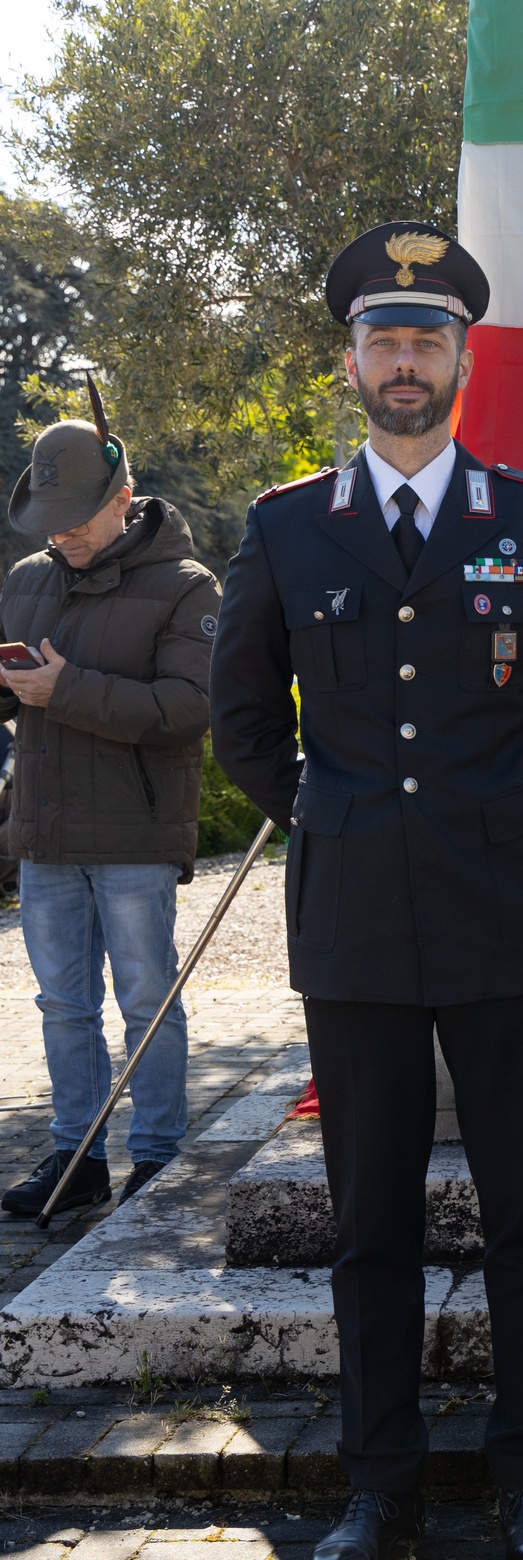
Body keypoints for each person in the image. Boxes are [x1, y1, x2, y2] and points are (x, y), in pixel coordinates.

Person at [209, 222, 523, 1560]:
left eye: (428, 339)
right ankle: (378, 1481)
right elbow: (239, 724)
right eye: (384, 340)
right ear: (351, 363)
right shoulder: (285, 530)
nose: (406, 361)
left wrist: (504, 823)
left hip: (501, 913)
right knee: (369, 1223)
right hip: (354, 926)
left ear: (463, 358)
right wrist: (332, 822)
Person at [0, 401, 219, 1216]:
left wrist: (65, 690)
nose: (60, 535)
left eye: (75, 519)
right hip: (45, 834)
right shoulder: (26, 581)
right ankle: (76, 1158)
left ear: (122, 495)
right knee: (61, 1007)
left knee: (144, 1002)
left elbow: (190, 708)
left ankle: (158, 1160)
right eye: (49, 521)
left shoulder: (188, 586)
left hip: (134, 835)